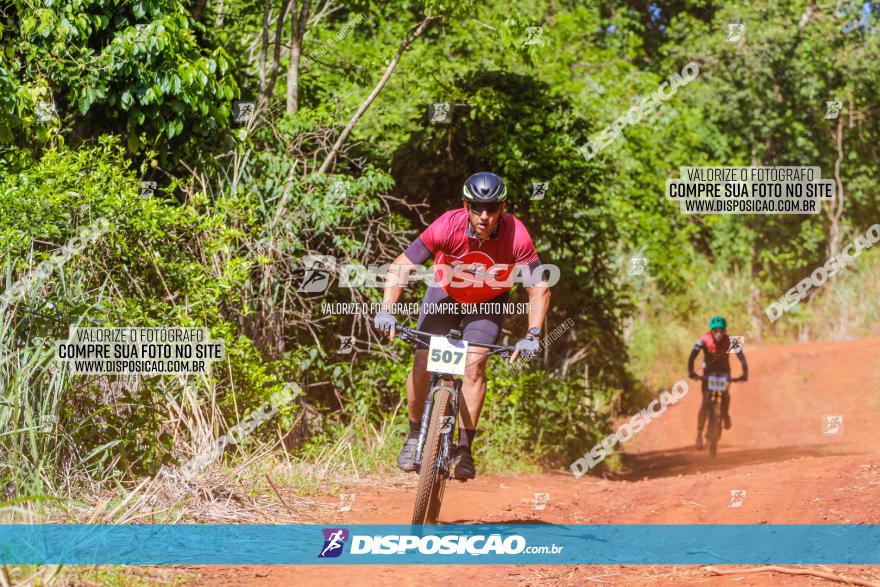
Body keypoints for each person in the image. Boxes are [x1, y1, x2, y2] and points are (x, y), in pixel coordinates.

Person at [373, 172, 551, 480]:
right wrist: (387, 309)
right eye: (477, 207)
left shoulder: (516, 235)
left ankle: (464, 449)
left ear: (503, 207)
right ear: (465, 205)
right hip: (446, 292)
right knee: (422, 362)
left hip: (488, 301)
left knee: (473, 367)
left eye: (493, 208)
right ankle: (415, 435)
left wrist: (533, 334)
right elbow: (401, 266)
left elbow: (539, 288)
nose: (485, 216)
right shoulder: (447, 225)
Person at [688, 316, 748, 450]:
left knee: (725, 393)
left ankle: (725, 415)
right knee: (704, 401)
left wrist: (745, 374)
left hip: (724, 373)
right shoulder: (703, 339)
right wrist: (691, 372)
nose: (718, 334)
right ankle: (699, 434)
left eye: (721, 331)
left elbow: (742, 358)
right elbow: (693, 355)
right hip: (708, 374)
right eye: (715, 331)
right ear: (711, 331)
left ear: (725, 331)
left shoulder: (731, 340)